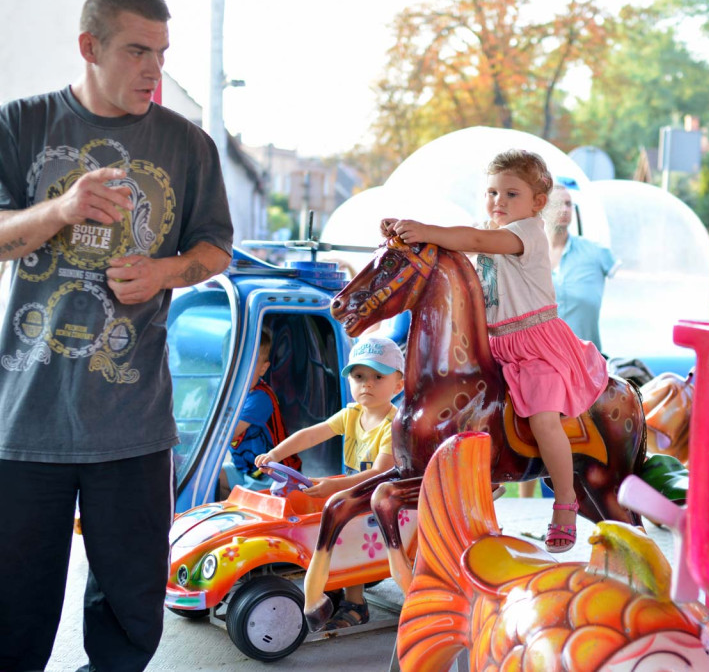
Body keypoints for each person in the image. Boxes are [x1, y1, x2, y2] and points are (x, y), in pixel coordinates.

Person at [0, 0, 234, 670]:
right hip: (25, 420)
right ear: (89, 48)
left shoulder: (188, 145)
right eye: (137, 50)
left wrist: (166, 270)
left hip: (133, 425)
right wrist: (61, 209)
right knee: (13, 614)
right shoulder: (22, 124)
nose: (153, 70)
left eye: (161, 53)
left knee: (131, 617)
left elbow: (215, 246)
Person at [381, 149, 608, 554]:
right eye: (492, 192)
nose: (498, 202)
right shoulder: (487, 229)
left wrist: (426, 228)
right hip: (495, 346)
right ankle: (483, 483)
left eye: (511, 194)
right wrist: (405, 236)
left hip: (535, 345)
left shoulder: (527, 234)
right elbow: (452, 249)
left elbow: (469, 239)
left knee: (542, 418)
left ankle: (565, 502)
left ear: (537, 203)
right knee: (471, 407)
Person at [254, 335, 405, 627]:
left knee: (346, 526)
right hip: (353, 491)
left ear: (398, 385)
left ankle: (356, 603)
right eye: (359, 376)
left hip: (380, 499)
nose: (367, 384)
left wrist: (333, 486)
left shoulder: (393, 425)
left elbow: (377, 474)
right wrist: (275, 452)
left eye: (377, 376)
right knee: (308, 511)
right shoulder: (352, 415)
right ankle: (329, 583)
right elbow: (312, 434)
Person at [219, 328, 300, 498]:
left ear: (263, 369)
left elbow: (226, 434)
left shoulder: (260, 398)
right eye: (233, 362)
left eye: (247, 364)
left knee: (241, 502)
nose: (239, 370)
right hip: (247, 468)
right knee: (216, 476)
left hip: (273, 474)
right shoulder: (234, 394)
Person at [545, 181, 618, 351]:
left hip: (587, 362)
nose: (565, 209)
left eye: (569, 204)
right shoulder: (529, 256)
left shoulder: (597, 253)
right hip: (543, 361)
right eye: (557, 204)